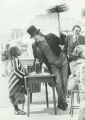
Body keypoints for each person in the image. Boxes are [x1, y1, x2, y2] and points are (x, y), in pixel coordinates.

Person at [27, 25, 69, 110]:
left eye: (35, 36)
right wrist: (35, 69)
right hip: (53, 65)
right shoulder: (35, 45)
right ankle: (63, 102)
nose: (34, 38)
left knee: (64, 82)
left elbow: (62, 42)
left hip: (63, 60)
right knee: (58, 83)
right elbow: (37, 59)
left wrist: (62, 35)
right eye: (33, 37)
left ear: (38, 33)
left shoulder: (50, 36)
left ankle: (61, 102)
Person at [8, 46, 26, 115]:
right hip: (15, 80)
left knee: (16, 94)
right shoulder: (15, 59)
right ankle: (16, 110)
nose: (20, 51)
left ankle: (17, 109)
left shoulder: (15, 58)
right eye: (18, 50)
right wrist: (24, 75)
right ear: (15, 52)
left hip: (15, 79)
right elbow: (16, 70)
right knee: (16, 94)